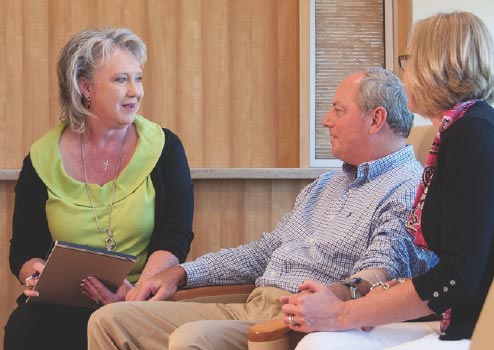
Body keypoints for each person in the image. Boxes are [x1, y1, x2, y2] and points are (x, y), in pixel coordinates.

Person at [86, 67, 439, 350]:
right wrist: (181, 273)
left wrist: (333, 297)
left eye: (338, 110)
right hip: (252, 302)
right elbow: (264, 251)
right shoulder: (327, 184)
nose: (327, 120)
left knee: (191, 339)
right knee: (109, 320)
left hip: (293, 322)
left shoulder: (408, 189)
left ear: (376, 120)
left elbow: (381, 275)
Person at [281, 11, 494, 350]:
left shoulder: (474, 133)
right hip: (455, 318)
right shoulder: (461, 130)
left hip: (487, 328)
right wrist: (358, 305)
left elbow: (458, 274)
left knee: (324, 343)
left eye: (408, 60)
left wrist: (344, 313)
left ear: (435, 65)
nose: (404, 73)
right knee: (321, 341)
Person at [4, 27, 194, 350]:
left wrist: (139, 290)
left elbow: (176, 234)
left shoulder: (164, 148)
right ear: (85, 88)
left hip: (140, 297)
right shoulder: (41, 158)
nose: (136, 91)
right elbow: (24, 247)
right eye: (121, 80)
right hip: (64, 302)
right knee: (25, 327)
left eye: (139, 78)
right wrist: (34, 272)